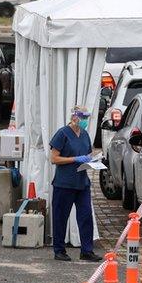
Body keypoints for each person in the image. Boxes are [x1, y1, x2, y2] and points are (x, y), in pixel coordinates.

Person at [49, 106, 102, 262]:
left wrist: (93, 159)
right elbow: (54, 159)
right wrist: (74, 159)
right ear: (74, 117)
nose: (85, 120)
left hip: (81, 183)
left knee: (85, 216)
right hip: (64, 183)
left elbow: (87, 153)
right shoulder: (62, 134)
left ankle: (87, 250)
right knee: (61, 217)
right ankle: (59, 250)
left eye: (87, 117)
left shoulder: (85, 134)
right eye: (83, 117)